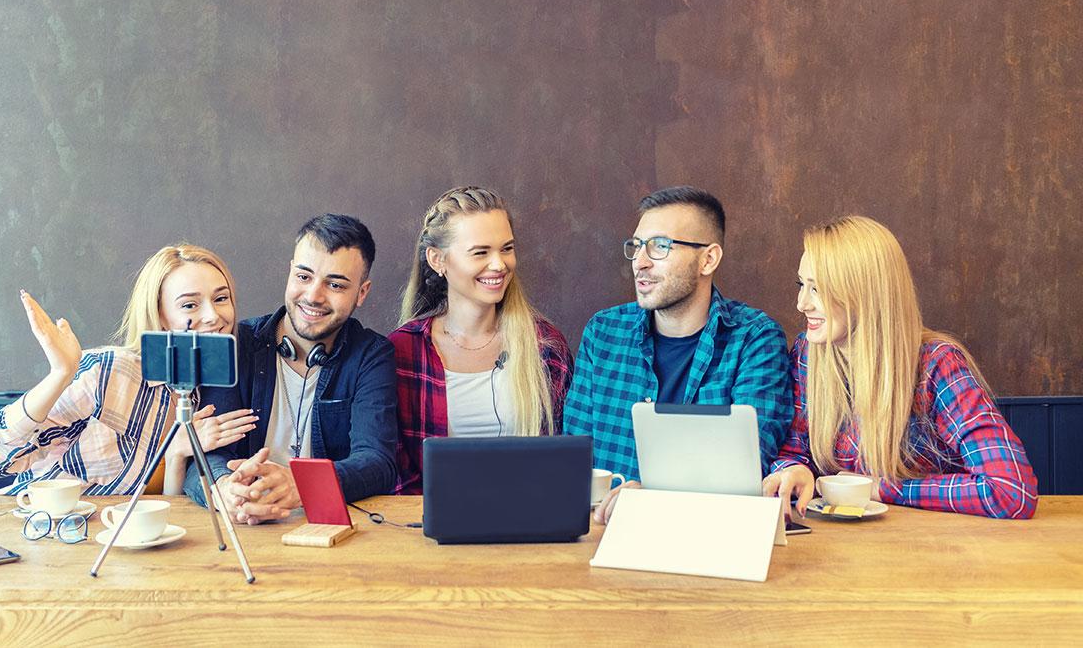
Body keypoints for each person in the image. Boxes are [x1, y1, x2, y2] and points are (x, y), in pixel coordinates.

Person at [763, 216, 1038, 519]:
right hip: (841, 550)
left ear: (865, 293)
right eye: (802, 285)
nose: (802, 304)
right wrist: (794, 470)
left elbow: (1010, 490)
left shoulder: (937, 365)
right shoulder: (808, 354)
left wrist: (881, 489)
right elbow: (794, 449)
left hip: (938, 548)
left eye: (818, 290)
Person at [563, 186, 792, 523]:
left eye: (660, 247)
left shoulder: (754, 339)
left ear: (708, 259)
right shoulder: (603, 333)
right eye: (637, 246)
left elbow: (747, 464)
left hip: (705, 537)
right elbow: (575, 455)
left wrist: (654, 499)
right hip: (602, 538)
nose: (640, 262)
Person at [0, 244, 257, 496]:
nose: (213, 316)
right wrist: (61, 374)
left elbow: (166, 508)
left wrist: (176, 454)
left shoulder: (203, 395)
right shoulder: (110, 371)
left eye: (221, 299)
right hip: (41, 528)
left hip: (117, 539)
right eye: (189, 305)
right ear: (158, 313)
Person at [184, 214, 398, 524]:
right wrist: (223, 489)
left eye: (335, 284)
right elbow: (206, 455)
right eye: (304, 276)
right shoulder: (234, 344)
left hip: (331, 528)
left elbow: (378, 463)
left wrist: (302, 486)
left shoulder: (371, 354)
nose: (313, 295)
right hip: (248, 524)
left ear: (362, 293)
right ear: (290, 273)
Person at [390, 186, 574, 494]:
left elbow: (567, 457)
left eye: (506, 249)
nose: (499, 265)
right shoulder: (402, 351)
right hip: (430, 530)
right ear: (438, 260)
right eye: (480, 252)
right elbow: (396, 473)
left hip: (531, 526)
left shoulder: (545, 346)